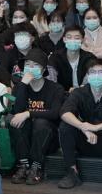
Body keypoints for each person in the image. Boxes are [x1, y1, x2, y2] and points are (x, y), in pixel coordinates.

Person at [57, 59, 102, 193]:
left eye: (101, 72)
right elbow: (64, 112)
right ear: (87, 76)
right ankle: (71, 172)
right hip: (84, 140)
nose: (96, 76)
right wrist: (83, 127)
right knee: (65, 126)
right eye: (93, 72)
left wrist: (97, 127)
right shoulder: (78, 93)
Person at [8, 51, 66, 185]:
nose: (31, 68)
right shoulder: (19, 88)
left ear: (44, 69)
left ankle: (36, 166)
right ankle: (23, 165)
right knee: (16, 120)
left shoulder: (56, 88)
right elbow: (17, 111)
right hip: (26, 137)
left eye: (35, 65)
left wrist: (28, 113)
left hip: (47, 138)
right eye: (28, 65)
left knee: (40, 123)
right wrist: (23, 85)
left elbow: (55, 113)